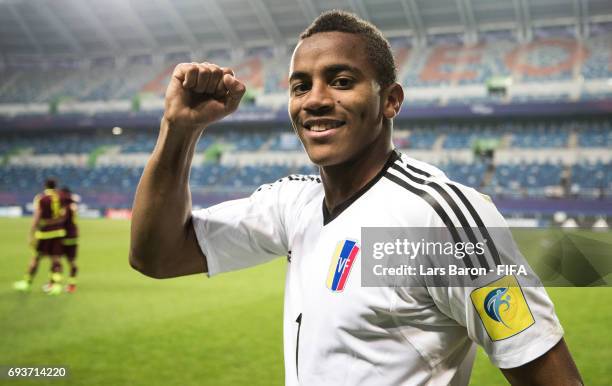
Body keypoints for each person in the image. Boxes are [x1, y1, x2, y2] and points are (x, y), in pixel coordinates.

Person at [130, 10, 583, 386]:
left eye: (341, 80)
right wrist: (180, 129)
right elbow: (157, 255)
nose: (314, 100)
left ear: (391, 100)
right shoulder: (294, 206)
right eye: (300, 85)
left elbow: (547, 373)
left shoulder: (437, 220)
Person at [14, 178, 65, 295]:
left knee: (36, 258)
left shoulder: (41, 198)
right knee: (56, 259)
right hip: (58, 232)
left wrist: (31, 232)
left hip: (44, 233)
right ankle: (56, 285)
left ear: (45, 186)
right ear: (55, 186)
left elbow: (37, 216)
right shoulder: (60, 197)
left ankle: (27, 282)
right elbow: (63, 216)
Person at [60, 186, 79, 293]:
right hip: (73, 235)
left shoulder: (66, 207)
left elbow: (63, 220)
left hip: (65, 235)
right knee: (71, 261)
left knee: (56, 259)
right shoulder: (73, 205)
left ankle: (55, 283)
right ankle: (72, 284)